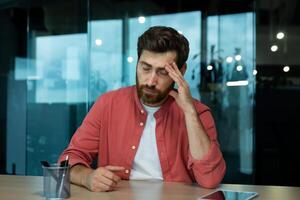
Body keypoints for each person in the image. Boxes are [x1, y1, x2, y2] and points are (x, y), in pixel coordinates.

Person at [58, 26, 226, 192]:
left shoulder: (198, 112)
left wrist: (189, 113)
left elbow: (210, 179)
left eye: (162, 72)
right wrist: (87, 177)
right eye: (145, 68)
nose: (151, 81)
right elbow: (68, 160)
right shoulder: (108, 103)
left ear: (181, 71)